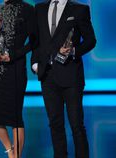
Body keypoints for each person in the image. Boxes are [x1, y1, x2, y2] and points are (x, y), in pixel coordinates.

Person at [31, 0, 96, 158]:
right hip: (47, 76)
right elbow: (36, 41)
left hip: (71, 76)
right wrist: (34, 63)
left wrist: (73, 51)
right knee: (55, 124)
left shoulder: (80, 9)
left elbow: (90, 40)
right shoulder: (39, 8)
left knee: (76, 126)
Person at [0, 0, 37, 158]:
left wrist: (13, 56)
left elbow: (34, 41)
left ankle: (17, 156)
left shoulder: (27, 9)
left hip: (14, 68)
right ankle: (10, 151)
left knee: (14, 116)